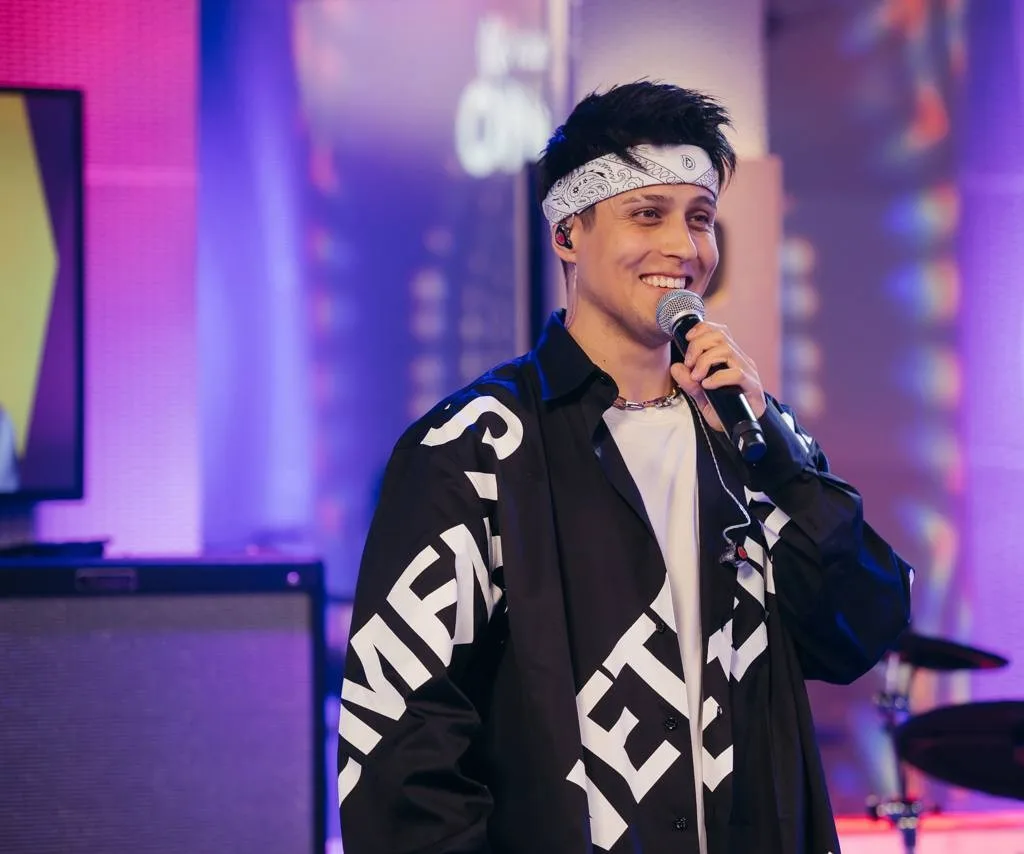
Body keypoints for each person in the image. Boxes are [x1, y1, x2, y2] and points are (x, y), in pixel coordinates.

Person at [337, 81, 914, 854]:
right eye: (648, 214)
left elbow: (862, 630)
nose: (684, 247)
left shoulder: (748, 437)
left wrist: (781, 463)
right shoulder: (474, 449)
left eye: (700, 218)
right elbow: (403, 745)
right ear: (567, 234)